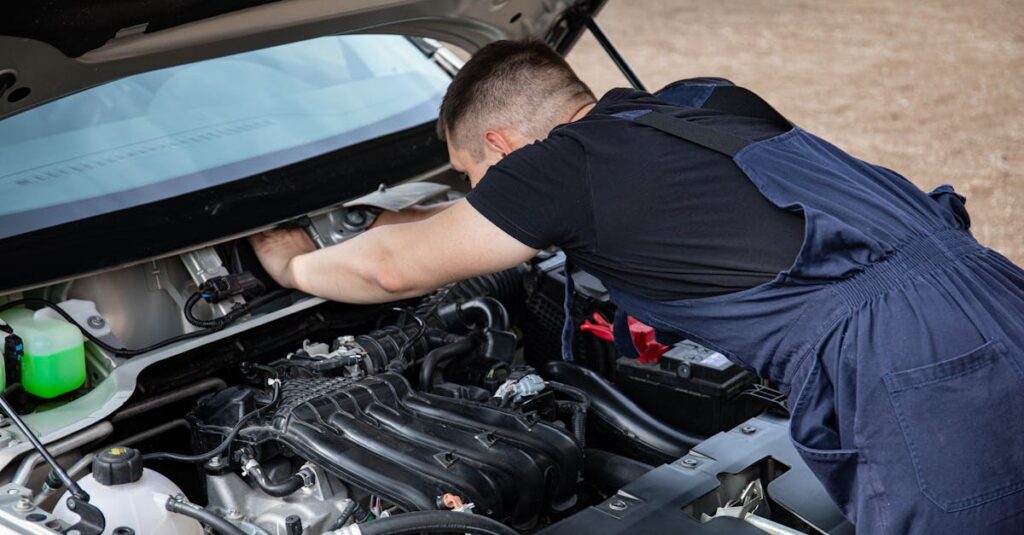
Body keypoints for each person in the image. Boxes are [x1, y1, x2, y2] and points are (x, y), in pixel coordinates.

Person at [251, 40, 1024, 533]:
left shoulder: (560, 167)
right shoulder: (704, 101)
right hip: (993, 295)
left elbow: (389, 270)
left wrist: (288, 264)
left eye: (474, 174)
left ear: (502, 145)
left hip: (911, 367)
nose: (483, 189)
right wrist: (410, 212)